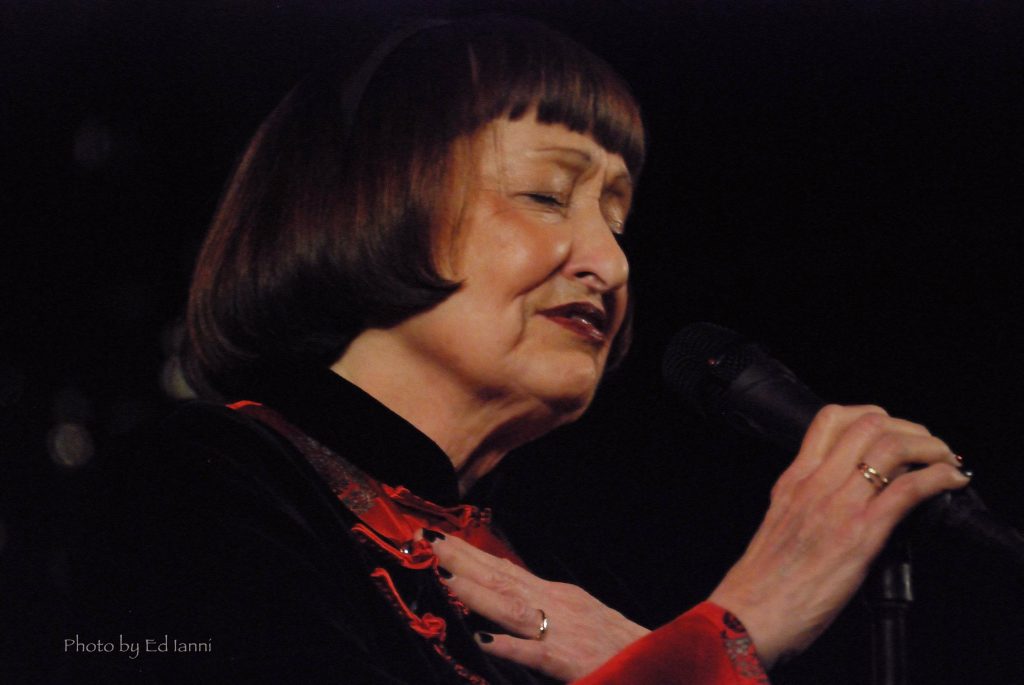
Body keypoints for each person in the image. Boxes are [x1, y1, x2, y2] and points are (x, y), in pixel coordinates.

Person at [69, 15, 970, 684]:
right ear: (369, 202)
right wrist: (737, 625)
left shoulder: (563, 573)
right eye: (545, 195)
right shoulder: (190, 489)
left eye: (619, 221)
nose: (611, 263)